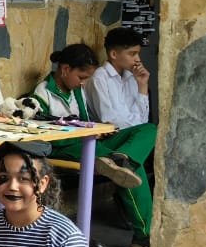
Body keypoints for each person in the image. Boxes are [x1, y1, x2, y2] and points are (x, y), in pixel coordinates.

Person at [26, 43, 145, 193]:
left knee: (148, 130)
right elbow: (45, 136)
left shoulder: (77, 91)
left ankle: (123, 158)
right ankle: (122, 163)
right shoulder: (43, 93)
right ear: (65, 69)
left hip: (89, 142)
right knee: (129, 168)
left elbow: (84, 122)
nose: (83, 83)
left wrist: (99, 128)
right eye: (81, 77)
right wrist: (86, 134)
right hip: (64, 148)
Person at [85, 27, 158, 247]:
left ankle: (124, 161)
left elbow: (141, 118)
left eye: (138, 54)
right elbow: (111, 120)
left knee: (149, 131)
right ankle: (143, 236)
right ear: (114, 54)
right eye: (132, 54)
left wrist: (143, 85)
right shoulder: (100, 78)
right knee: (143, 141)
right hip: (107, 139)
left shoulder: (130, 78)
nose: (137, 59)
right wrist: (135, 127)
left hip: (127, 142)